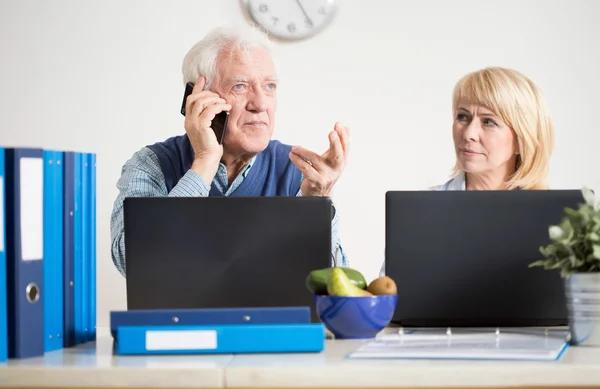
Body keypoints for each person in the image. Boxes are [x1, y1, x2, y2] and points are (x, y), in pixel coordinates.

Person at [110, 26, 350, 277]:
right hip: (180, 318)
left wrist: (316, 208)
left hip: (271, 318)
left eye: (269, 86)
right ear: (198, 98)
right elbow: (135, 263)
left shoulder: (297, 171)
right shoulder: (151, 165)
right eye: (240, 86)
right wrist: (203, 164)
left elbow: (336, 287)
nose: (260, 104)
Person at [380, 66, 555, 275]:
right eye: (463, 117)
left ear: (521, 140)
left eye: (488, 121)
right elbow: (387, 296)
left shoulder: (554, 222)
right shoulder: (419, 213)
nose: (469, 133)